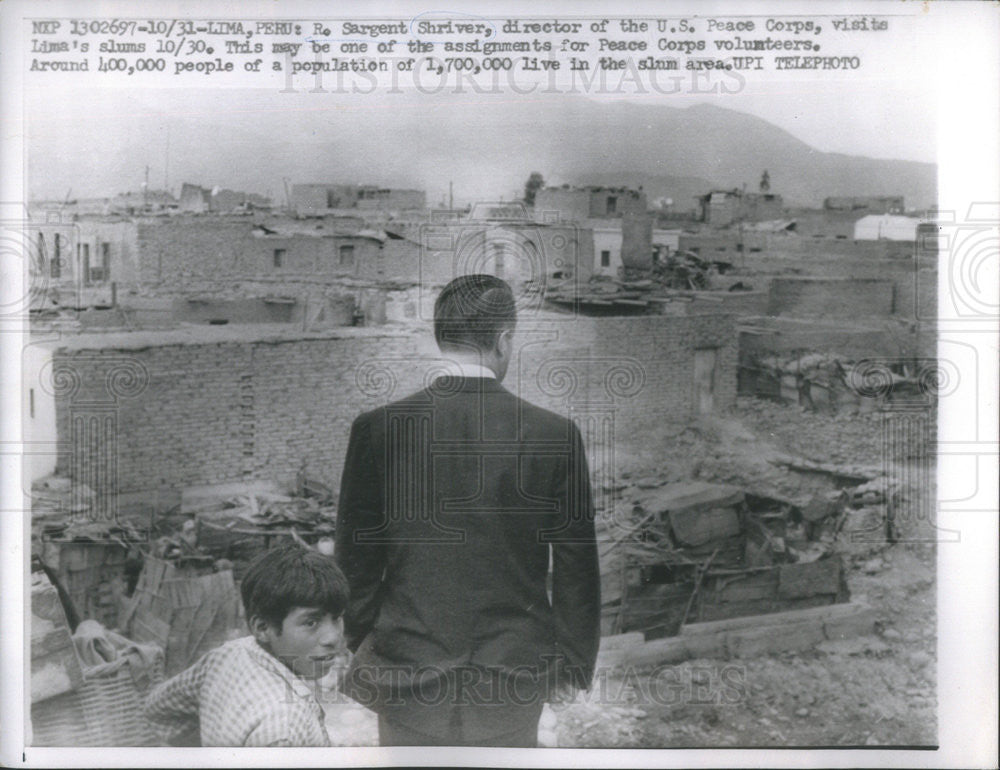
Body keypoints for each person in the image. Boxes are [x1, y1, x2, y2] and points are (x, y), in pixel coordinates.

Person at [335, 274, 600, 747]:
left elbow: (355, 558)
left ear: (442, 339)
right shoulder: (554, 435)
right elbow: (577, 567)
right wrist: (573, 665)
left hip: (406, 678)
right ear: (503, 340)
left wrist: (366, 642)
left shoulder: (376, 430)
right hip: (510, 685)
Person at [143, 545, 348, 746]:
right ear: (262, 628)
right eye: (311, 622)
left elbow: (159, 708)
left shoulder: (227, 654)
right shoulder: (285, 726)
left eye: (337, 617)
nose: (332, 637)